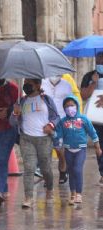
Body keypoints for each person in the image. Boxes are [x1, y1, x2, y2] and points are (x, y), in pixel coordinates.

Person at [10, 79, 60, 208]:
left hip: (44, 139)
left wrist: (51, 125)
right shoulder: (21, 101)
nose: (26, 85)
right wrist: (15, 113)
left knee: (46, 168)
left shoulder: (46, 100)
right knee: (29, 168)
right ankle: (28, 197)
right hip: (26, 139)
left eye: (30, 83)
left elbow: (56, 117)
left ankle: (49, 189)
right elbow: (12, 122)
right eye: (25, 82)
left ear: (38, 85)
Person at [53, 95, 102, 205]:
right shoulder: (62, 121)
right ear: (64, 108)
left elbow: (93, 133)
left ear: (76, 106)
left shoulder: (84, 119)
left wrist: (97, 147)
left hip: (81, 149)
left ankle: (79, 194)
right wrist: (55, 139)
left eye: (72, 105)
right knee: (70, 171)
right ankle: (73, 194)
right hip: (68, 150)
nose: (69, 108)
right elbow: (58, 135)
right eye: (67, 106)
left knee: (77, 170)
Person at [42, 76, 73, 184]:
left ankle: (63, 171)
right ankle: (47, 176)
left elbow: (70, 103)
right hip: (45, 122)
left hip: (62, 122)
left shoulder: (67, 85)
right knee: (46, 151)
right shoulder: (42, 83)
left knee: (60, 150)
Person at [80, 52, 103, 186]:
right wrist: (93, 83)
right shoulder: (89, 76)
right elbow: (83, 95)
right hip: (95, 117)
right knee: (99, 144)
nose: (100, 60)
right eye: (98, 57)